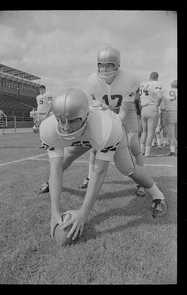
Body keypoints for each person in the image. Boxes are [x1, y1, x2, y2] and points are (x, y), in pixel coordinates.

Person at [39, 88, 167, 242]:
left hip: (108, 130)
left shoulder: (105, 128)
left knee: (127, 168)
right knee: (67, 157)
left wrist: (83, 213)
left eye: (72, 120)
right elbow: (55, 169)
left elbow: (99, 170)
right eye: (60, 119)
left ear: (85, 115)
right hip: (85, 134)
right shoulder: (48, 129)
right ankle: (50, 185)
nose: (65, 127)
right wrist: (55, 211)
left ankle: (158, 195)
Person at [78, 47, 146, 197]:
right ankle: (90, 177)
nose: (104, 68)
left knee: (133, 145)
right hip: (106, 111)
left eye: (109, 64)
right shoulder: (92, 81)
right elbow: (98, 108)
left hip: (126, 112)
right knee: (96, 146)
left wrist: (116, 126)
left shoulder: (130, 78)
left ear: (117, 65)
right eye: (100, 64)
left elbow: (125, 108)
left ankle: (141, 182)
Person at [139, 72, 163, 157]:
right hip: (152, 107)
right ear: (157, 77)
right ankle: (147, 153)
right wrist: (158, 104)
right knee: (150, 133)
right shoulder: (156, 83)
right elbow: (160, 96)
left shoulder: (143, 84)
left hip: (143, 108)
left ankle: (141, 151)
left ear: (150, 77)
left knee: (143, 132)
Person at [161, 80, 177, 156]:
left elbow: (162, 107)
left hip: (170, 113)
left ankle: (172, 151)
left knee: (171, 135)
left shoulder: (166, 91)